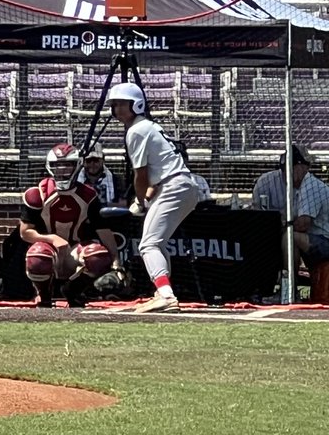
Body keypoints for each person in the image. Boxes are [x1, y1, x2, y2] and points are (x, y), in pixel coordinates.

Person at [108, 81, 201, 314]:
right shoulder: (148, 126)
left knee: (148, 244)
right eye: (115, 104)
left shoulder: (137, 130)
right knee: (157, 243)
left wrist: (141, 202)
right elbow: (156, 177)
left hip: (174, 186)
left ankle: (166, 295)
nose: (118, 109)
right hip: (181, 185)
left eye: (123, 104)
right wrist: (147, 198)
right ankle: (161, 292)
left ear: (136, 105)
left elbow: (140, 176)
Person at [18, 142, 124, 308]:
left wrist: (116, 260)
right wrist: (52, 239)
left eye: (68, 165)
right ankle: (44, 294)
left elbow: (103, 229)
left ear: (78, 165)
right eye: (57, 166)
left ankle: (73, 290)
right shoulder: (37, 194)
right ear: (50, 167)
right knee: (38, 257)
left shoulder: (88, 195)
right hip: (48, 250)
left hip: (75, 249)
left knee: (98, 256)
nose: (62, 170)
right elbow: (25, 232)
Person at [287, 147, 329, 270]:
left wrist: (283, 225)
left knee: (289, 236)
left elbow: (303, 224)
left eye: (291, 167)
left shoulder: (310, 186)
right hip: (319, 238)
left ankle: (291, 277)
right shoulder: (300, 187)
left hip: (325, 241)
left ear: (303, 167)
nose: (287, 173)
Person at [75, 143, 125, 207]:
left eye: (96, 160)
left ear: (103, 160)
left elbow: (123, 204)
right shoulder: (75, 180)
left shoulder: (116, 179)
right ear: (83, 162)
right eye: (88, 160)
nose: (92, 164)